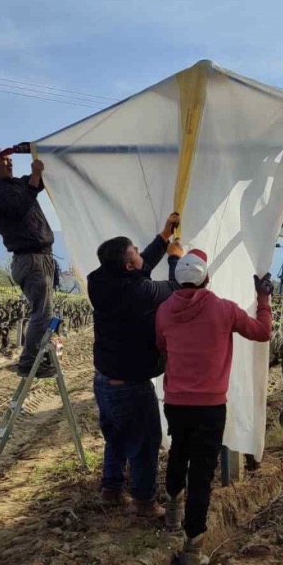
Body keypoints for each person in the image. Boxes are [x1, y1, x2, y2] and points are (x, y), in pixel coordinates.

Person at [155, 249, 273, 565]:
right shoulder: (224, 309)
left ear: (178, 281)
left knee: (179, 452)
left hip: (177, 401)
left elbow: (162, 345)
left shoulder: (164, 311)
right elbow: (262, 332)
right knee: (202, 473)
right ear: (207, 278)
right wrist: (263, 299)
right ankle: (192, 548)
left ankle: (173, 514)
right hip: (210, 405)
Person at [87, 214, 184, 518]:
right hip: (130, 386)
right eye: (136, 253)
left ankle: (111, 490)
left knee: (116, 437)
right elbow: (176, 288)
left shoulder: (99, 279)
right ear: (129, 266)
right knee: (144, 442)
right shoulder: (137, 293)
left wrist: (163, 237)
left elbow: (140, 270)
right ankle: (144, 502)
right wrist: (175, 260)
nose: (141, 254)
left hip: (104, 382)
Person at [0, 146, 58, 377]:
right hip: (31, 258)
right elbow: (19, 206)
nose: (9, 162)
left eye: (10, 159)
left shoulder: (14, 185)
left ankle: (41, 358)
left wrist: (39, 150)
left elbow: (39, 182)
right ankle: (29, 363)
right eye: (3, 160)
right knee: (42, 314)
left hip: (39, 257)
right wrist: (34, 176)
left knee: (46, 313)